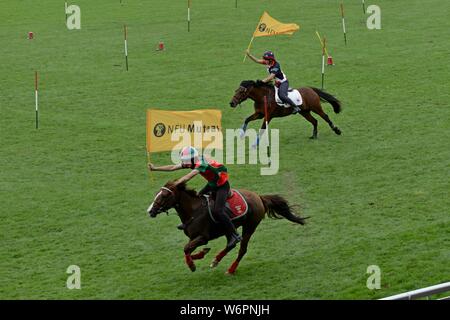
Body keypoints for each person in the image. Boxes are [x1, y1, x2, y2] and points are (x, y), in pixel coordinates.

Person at [148, 146, 242, 249]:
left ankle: (234, 235)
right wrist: (155, 168)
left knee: (218, 210)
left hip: (221, 186)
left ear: (192, 159)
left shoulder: (201, 164)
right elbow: (173, 167)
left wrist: (173, 185)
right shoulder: (193, 160)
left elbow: (187, 177)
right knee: (198, 199)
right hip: (212, 183)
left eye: (187, 162)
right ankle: (190, 221)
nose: (186, 164)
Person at [246, 49, 301, 113]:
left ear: (270, 60)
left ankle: (295, 107)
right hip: (277, 83)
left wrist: (262, 82)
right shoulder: (267, 62)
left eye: (266, 59)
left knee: (282, 95)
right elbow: (257, 61)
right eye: (264, 59)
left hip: (283, 82)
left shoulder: (276, 66)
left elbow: (270, 77)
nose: (265, 60)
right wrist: (249, 55)